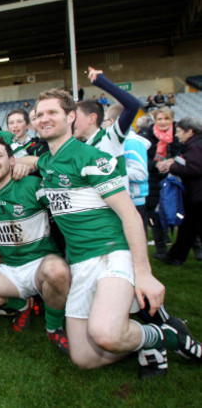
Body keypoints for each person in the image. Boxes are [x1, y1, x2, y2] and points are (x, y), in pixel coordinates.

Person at [33, 88, 202, 377]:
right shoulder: (46, 161)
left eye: (52, 113)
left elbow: (129, 214)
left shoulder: (89, 157)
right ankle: (145, 337)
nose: (44, 118)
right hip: (80, 262)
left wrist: (144, 273)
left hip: (111, 253)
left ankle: (162, 336)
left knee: (106, 335)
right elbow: (39, 164)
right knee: (83, 358)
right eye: (39, 114)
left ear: (71, 116)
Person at [0, 137, 70, 353]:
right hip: (11, 269)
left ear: (12, 160)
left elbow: (64, 208)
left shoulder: (32, 185)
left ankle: (54, 327)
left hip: (42, 264)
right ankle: (22, 304)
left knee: (56, 272)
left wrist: (30, 168)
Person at [154, 117, 202, 265]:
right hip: (195, 194)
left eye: (180, 131)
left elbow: (194, 168)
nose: (176, 135)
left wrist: (171, 167)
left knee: (189, 227)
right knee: (187, 228)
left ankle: (175, 257)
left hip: (197, 195)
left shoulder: (195, 146)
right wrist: (173, 161)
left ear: (190, 131)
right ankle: (175, 257)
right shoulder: (195, 143)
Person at [104, 105, 151, 234]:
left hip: (135, 202)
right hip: (123, 201)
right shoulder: (114, 142)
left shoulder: (131, 143)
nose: (102, 124)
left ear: (112, 122)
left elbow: (141, 174)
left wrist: (112, 169)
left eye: (105, 120)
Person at [144, 107, 182, 257]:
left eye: (166, 118)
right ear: (155, 120)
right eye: (160, 119)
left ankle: (194, 247)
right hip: (154, 179)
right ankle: (161, 250)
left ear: (172, 119)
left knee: (183, 213)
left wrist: (172, 161)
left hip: (176, 178)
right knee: (156, 215)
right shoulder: (148, 135)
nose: (163, 122)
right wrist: (156, 164)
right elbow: (142, 160)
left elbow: (187, 154)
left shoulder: (180, 133)